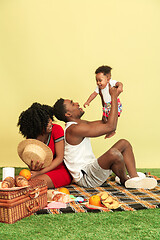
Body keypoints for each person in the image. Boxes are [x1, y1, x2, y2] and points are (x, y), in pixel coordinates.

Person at [53, 86, 157, 189]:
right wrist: (114, 97)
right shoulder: (74, 129)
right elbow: (111, 126)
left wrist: (104, 95)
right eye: (72, 103)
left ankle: (135, 179)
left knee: (124, 143)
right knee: (114, 154)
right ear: (68, 113)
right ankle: (125, 180)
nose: (77, 103)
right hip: (86, 178)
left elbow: (105, 121)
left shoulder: (79, 124)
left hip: (91, 168)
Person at [17, 102, 72, 188]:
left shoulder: (56, 129)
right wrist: (34, 170)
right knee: (22, 183)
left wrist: (39, 173)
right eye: (45, 122)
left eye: (49, 118)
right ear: (36, 125)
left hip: (60, 170)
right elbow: (31, 161)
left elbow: (60, 158)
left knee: (33, 184)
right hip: (42, 172)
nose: (50, 122)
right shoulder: (31, 138)